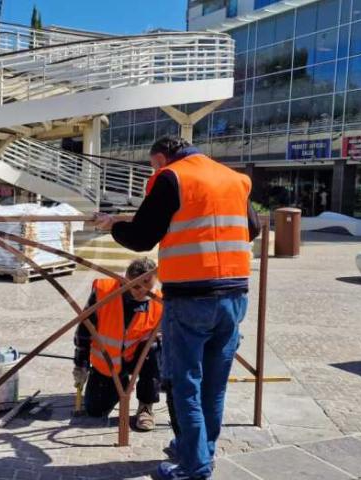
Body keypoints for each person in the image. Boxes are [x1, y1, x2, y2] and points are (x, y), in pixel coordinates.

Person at [95, 135, 260, 480]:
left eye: (153, 165)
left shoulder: (172, 177)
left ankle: (194, 466)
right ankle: (198, 450)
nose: (152, 173)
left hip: (190, 298)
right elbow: (253, 228)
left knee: (187, 384)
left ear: (162, 157)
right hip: (234, 295)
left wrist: (114, 226)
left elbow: (141, 237)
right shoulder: (233, 178)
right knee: (214, 385)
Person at [72, 257, 162, 431]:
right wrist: (81, 365)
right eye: (135, 287)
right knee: (95, 411)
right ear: (125, 278)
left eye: (147, 289)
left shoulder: (158, 301)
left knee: (154, 348)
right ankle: (118, 388)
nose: (141, 293)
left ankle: (145, 406)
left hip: (137, 360)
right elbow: (84, 331)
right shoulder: (104, 292)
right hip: (108, 364)